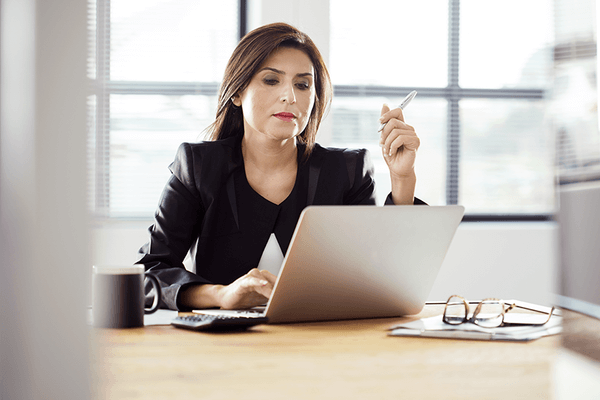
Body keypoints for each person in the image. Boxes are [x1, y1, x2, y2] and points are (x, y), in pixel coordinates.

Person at [136, 22, 424, 311]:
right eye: (271, 80)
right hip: (224, 347)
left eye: (302, 84)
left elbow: (383, 279)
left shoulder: (347, 170)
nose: (291, 96)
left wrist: (402, 178)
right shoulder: (198, 166)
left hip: (326, 342)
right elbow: (149, 275)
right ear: (237, 93)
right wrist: (221, 295)